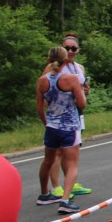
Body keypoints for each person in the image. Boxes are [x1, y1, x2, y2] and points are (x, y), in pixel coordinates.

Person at [35, 46, 86, 213]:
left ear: (49, 59)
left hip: (52, 125)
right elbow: (81, 104)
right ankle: (65, 200)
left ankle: (44, 194)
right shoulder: (71, 79)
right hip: (69, 126)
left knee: (48, 161)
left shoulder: (42, 80)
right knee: (72, 164)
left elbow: (39, 108)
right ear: (65, 61)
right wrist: (82, 91)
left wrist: (47, 123)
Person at [47, 33, 92, 200]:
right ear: (62, 49)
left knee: (72, 149)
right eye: (67, 48)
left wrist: (85, 91)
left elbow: (82, 89)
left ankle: (70, 183)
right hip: (59, 115)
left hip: (75, 112)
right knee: (58, 151)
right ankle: (55, 187)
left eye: (74, 48)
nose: (71, 51)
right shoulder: (54, 67)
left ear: (78, 50)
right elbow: (44, 87)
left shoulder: (79, 68)